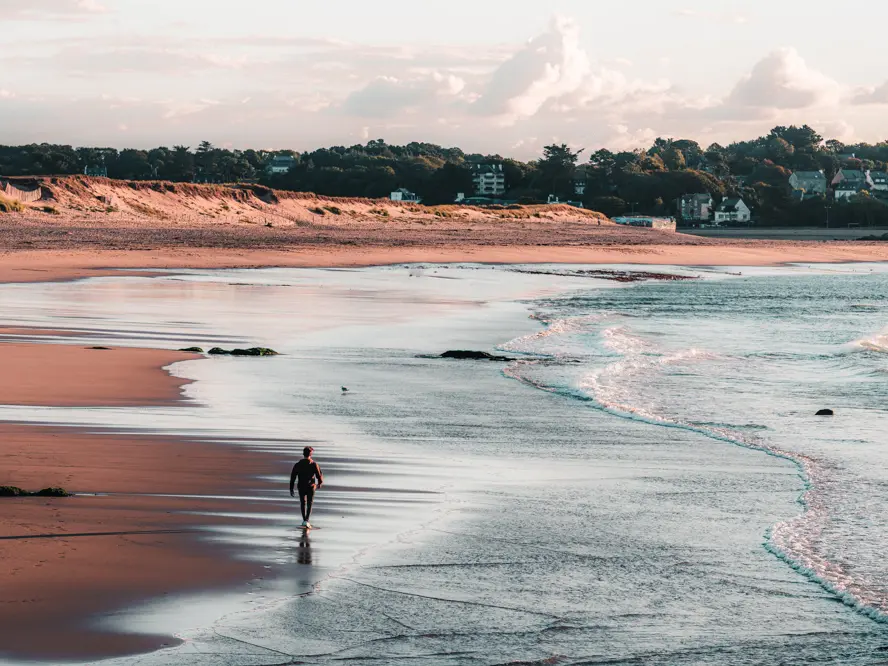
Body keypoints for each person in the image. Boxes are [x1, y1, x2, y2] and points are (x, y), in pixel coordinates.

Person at [290, 446, 323, 528]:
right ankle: (307, 520)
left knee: (303, 503)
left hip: (301, 486)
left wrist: (291, 488)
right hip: (311, 487)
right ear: (311, 454)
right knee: (309, 503)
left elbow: (293, 477)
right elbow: (319, 476)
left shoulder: (298, 464)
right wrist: (320, 483)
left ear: (303, 454)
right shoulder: (314, 464)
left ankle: (304, 520)